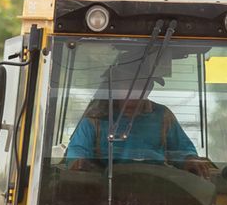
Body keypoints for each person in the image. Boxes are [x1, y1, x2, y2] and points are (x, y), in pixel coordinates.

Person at [64, 71, 213, 177]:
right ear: (114, 86)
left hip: (159, 188)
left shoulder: (163, 116)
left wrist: (189, 160)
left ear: (149, 87)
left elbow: (183, 150)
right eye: (127, 84)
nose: (134, 91)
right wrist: (79, 163)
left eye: (142, 84)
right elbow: (77, 152)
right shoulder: (95, 118)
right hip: (108, 188)